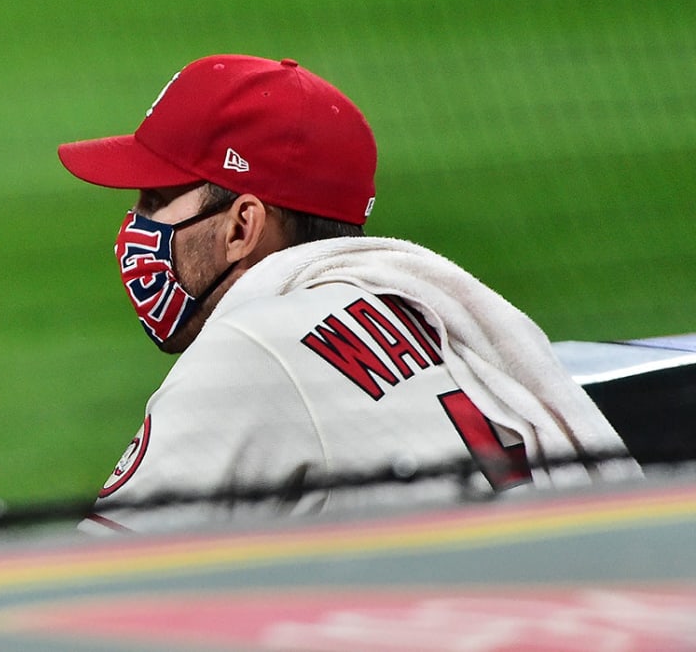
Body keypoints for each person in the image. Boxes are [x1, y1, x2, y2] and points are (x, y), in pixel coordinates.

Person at [57, 54, 640, 534]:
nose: (135, 228)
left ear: (241, 227)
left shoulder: (252, 349)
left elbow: (89, 593)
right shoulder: (430, 315)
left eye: (155, 202)